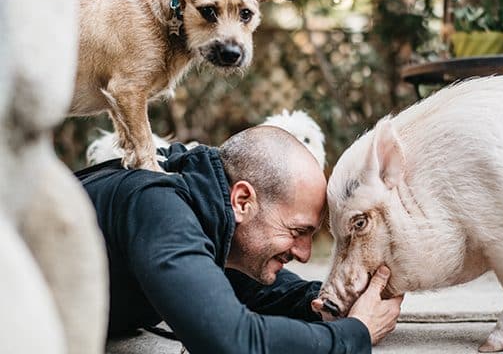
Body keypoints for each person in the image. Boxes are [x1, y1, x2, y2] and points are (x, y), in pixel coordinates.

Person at [76, 126, 403, 353]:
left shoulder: (200, 202)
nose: (304, 254)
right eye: (298, 232)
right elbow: (232, 342)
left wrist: (331, 304)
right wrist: (354, 333)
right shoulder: (158, 206)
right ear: (242, 200)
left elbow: (245, 286)